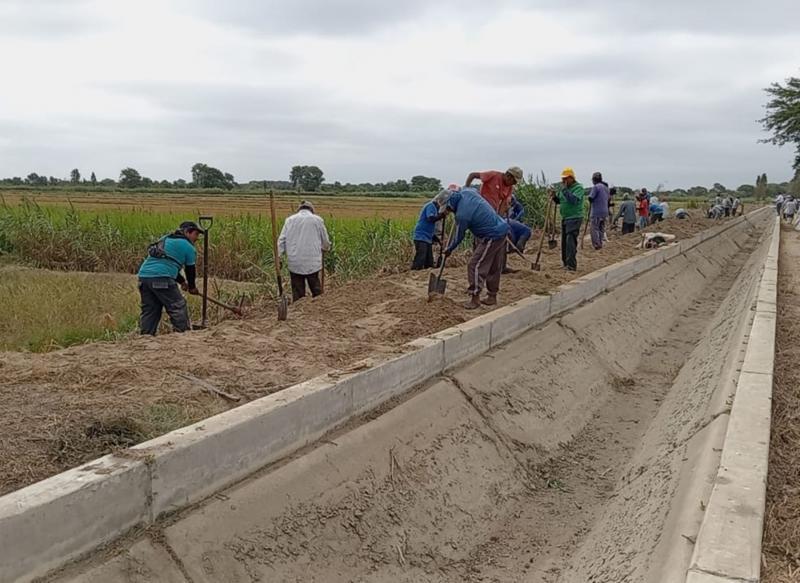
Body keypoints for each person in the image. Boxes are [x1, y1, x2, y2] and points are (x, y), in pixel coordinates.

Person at [442, 187, 509, 309]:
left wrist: (450, 249)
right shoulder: (467, 192)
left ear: (451, 203)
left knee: (475, 265)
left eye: (449, 208)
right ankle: (492, 296)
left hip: (491, 235)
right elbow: (474, 189)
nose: (450, 211)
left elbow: (459, 236)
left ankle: (475, 297)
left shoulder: (462, 215)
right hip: (502, 228)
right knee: (494, 265)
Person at [137, 221, 203, 335]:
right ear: (187, 232)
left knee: (150, 309)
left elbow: (167, 264)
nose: (197, 238)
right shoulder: (188, 247)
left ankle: (146, 337)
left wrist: (182, 282)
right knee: (177, 306)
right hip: (162, 278)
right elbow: (190, 270)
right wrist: (192, 287)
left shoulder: (166, 239)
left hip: (144, 277)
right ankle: (183, 334)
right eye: (196, 234)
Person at [278, 200, 331, 302]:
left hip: (295, 262)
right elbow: (325, 241)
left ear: (299, 209)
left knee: (298, 291)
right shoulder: (317, 220)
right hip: (312, 262)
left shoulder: (289, 220)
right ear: (311, 210)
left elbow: (281, 240)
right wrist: (326, 248)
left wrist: (278, 256)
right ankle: (319, 307)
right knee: (316, 289)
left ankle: (298, 309)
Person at [553, 167, 585, 271]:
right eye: (563, 179)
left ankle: (571, 265)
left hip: (575, 217)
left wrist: (565, 190)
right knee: (564, 242)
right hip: (565, 218)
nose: (564, 181)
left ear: (572, 178)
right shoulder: (564, 189)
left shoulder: (578, 188)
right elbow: (559, 201)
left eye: (566, 179)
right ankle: (565, 263)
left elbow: (574, 200)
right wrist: (554, 196)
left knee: (570, 241)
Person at [411, 189, 451, 270]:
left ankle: (425, 272)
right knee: (421, 257)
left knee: (429, 261)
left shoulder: (435, 209)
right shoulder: (430, 206)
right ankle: (414, 271)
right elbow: (430, 219)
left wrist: (439, 241)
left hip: (427, 237)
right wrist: (442, 215)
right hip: (421, 236)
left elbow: (431, 228)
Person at [587, 172, 609, 249]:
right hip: (605, 211)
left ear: (594, 180)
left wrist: (590, 200)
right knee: (601, 228)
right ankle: (600, 242)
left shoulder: (596, 187)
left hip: (596, 212)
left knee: (594, 228)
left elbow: (590, 197)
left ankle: (597, 245)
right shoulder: (606, 188)